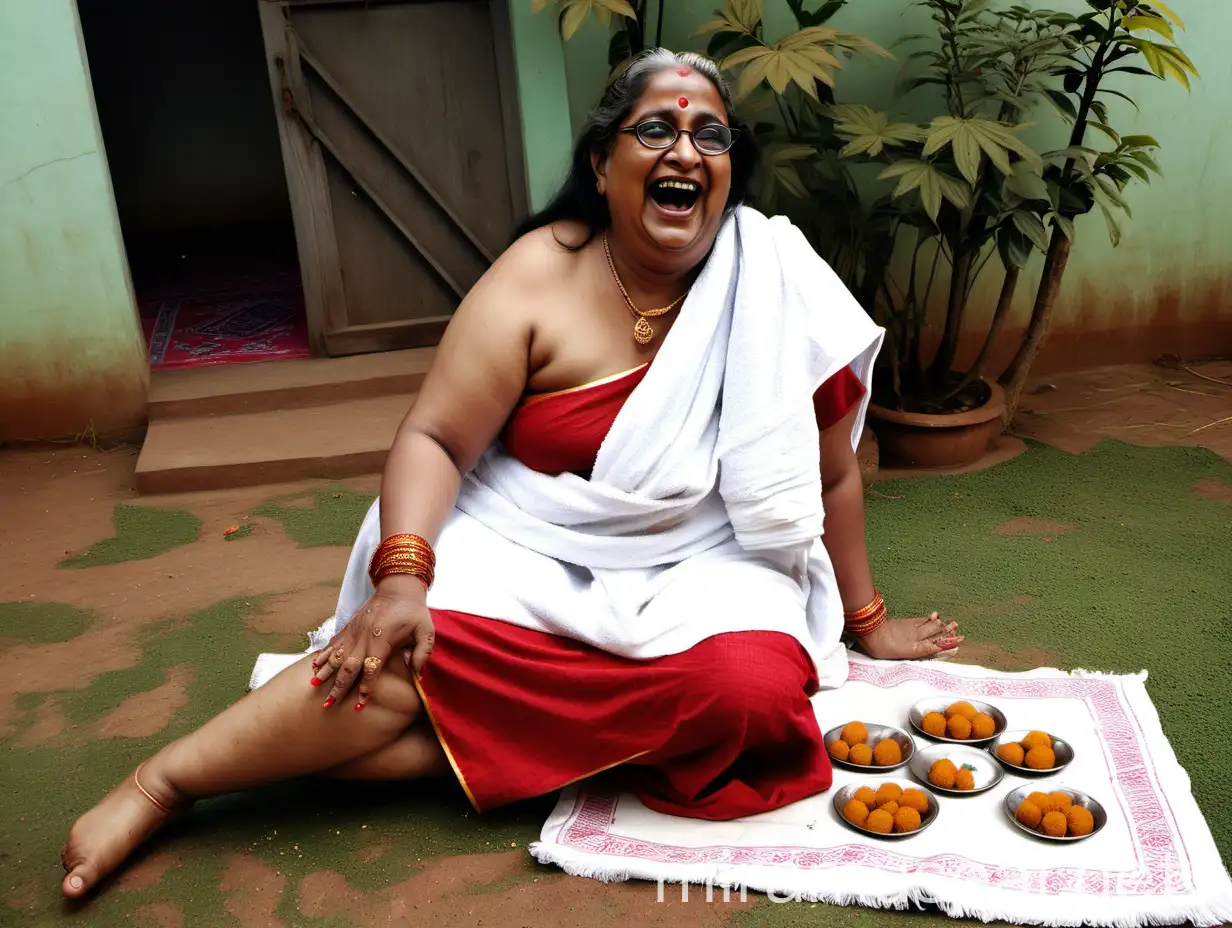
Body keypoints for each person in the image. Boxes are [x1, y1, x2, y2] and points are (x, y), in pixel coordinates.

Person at [59, 48, 962, 899]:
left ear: (728, 169)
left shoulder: (770, 280)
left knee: (752, 698)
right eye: (655, 129)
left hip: (705, 567)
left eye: (711, 135)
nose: (686, 148)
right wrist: (405, 578)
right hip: (530, 549)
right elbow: (437, 440)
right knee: (399, 649)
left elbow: (830, 477)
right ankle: (162, 784)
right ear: (603, 164)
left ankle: (444, 739)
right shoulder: (538, 275)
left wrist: (867, 623)